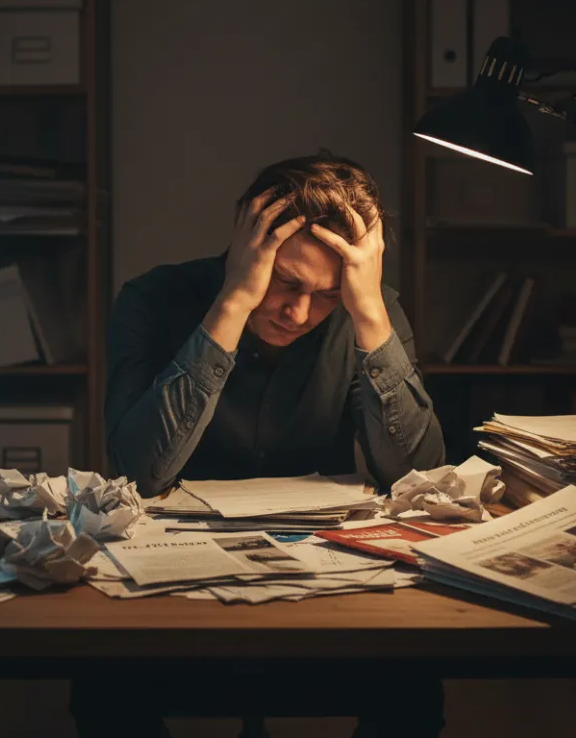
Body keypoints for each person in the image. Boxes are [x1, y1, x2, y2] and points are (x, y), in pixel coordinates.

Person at [72, 151, 447, 738]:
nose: (299, 313)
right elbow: (140, 474)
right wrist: (235, 302)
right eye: (284, 281)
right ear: (247, 245)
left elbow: (419, 478)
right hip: (170, 588)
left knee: (414, 686)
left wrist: (368, 310)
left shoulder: (366, 309)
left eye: (324, 295)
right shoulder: (152, 299)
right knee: (102, 684)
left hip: (318, 584)